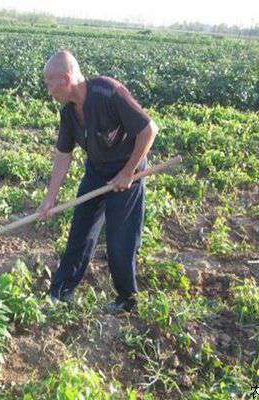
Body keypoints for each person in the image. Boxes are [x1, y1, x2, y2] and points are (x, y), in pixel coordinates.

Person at [38, 50, 158, 314]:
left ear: (66, 79)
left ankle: (128, 299)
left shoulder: (108, 92)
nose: (48, 89)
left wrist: (127, 172)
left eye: (49, 82)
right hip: (97, 172)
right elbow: (63, 155)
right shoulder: (68, 112)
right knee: (80, 233)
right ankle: (60, 292)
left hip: (128, 172)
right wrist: (50, 199)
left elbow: (149, 130)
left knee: (119, 241)